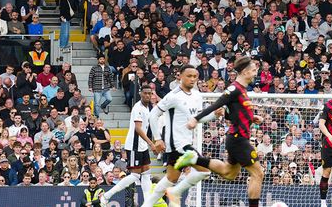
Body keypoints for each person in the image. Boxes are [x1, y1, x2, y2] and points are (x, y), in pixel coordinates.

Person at [170, 57, 263, 207]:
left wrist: (252, 117)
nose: (255, 73)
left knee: (229, 173)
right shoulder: (234, 89)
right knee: (258, 173)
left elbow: (233, 114)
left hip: (237, 138)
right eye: (253, 70)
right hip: (238, 139)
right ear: (245, 72)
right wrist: (196, 118)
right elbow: (217, 104)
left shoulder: (242, 89)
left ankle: (194, 159)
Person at [141, 65, 206, 207]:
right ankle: (176, 191)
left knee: (170, 179)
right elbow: (153, 115)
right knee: (206, 170)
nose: (192, 79)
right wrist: (158, 138)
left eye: (195, 76)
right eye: (189, 76)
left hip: (186, 141)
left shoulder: (196, 96)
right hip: (178, 144)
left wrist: (216, 114)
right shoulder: (173, 96)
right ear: (180, 76)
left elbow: (198, 118)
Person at [103, 84, 156, 204]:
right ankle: (107, 195)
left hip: (143, 145)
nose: (147, 95)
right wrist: (151, 143)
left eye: (150, 93)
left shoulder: (149, 107)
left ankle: (148, 203)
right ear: (140, 94)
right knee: (135, 176)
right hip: (134, 145)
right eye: (145, 93)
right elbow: (138, 128)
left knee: (147, 174)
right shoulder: (138, 107)